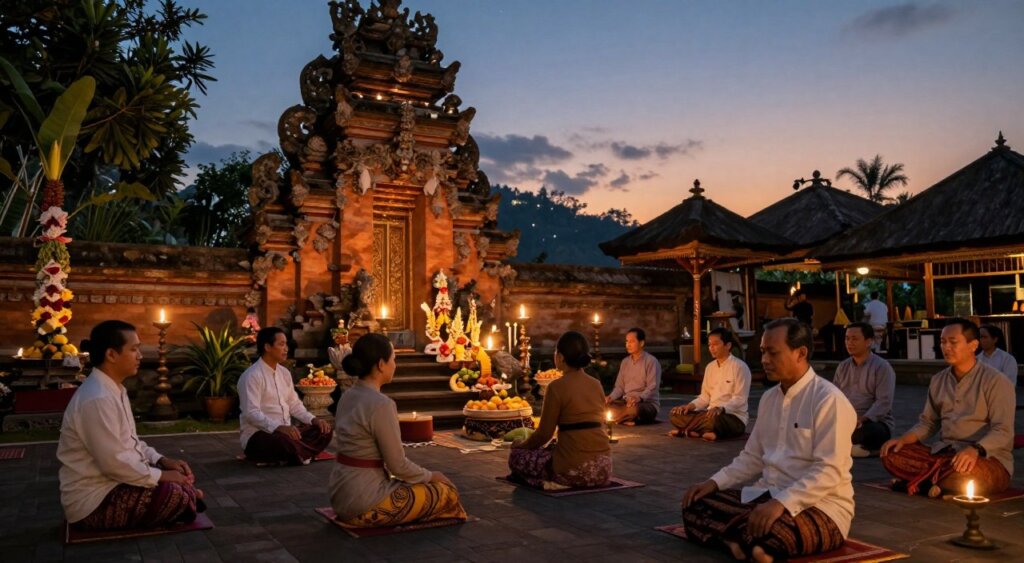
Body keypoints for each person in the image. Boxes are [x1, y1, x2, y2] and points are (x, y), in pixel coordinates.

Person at [681, 318, 856, 562]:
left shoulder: (828, 400)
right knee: (694, 504)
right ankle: (746, 541)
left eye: (772, 353)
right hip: (766, 495)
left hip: (820, 506)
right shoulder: (769, 399)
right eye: (763, 352)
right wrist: (714, 482)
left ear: (801, 353)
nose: (764, 360)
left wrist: (782, 503)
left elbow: (829, 471)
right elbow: (752, 457)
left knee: (774, 531)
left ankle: (740, 539)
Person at [58, 320, 203, 530]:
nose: (140, 356)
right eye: (134, 349)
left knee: (175, 486)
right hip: (93, 501)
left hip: (114, 483)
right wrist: (162, 476)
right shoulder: (97, 398)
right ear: (111, 354)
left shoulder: (113, 389)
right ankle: (188, 499)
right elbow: (114, 463)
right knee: (174, 493)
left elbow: (129, 443)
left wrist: (161, 461)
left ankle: (188, 498)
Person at [328, 333, 466, 526]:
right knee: (445, 493)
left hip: (340, 494)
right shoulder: (381, 404)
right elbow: (398, 466)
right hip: (365, 502)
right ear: (381, 364)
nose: (395, 365)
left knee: (417, 486)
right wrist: (432, 475)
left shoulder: (348, 395)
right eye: (393, 359)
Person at [881, 318, 1014, 497]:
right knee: (891, 454)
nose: (946, 347)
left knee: (971, 476)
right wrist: (904, 439)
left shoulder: (996, 381)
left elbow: (1003, 431)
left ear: (973, 345)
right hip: (945, 455)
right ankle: (935, 483)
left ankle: (923, 482)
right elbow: (928, 423)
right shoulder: (938, 380)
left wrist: (975, 450)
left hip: (985, 459)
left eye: (953, 342)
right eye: (943, 342)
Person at [508, 331, 612, 489]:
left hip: (573, 470)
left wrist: (522, 445)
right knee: (550, 451)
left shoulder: (556, 387)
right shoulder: (596, 384)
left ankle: (549, 482)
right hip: (603, 469)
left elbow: (544, 434)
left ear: (561, 357)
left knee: (517, 457)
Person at [238, 327, 333, 465]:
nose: (286, 349)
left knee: (324, 431)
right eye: (281, 344)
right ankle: (303, 454)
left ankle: (298, 454)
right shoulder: (252, 376)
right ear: (267, 347)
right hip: (259, 436)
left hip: (287, 434)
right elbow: (251, 413)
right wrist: (279, 427)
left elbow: (294, 405)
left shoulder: (285, 373)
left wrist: (314, 420)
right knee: (283, 442)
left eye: (286, 344)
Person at [669, 327, 750, 441]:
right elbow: (704, 397)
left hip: (732, 417)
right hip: (708, 414)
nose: (711, 348)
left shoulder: (740, 367)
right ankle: (704, 432)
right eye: (709, 345)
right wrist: (689, 406)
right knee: (675, 415)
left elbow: (740, 399)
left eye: (715, 344)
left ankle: (687, 430)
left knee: (713, 421)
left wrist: (720, 409)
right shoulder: (710, 367)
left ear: (728, 345)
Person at [832, 322, 895, 457]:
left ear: (869, 342)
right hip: (846, 421)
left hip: (872, 422)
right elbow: (834, 398)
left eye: (854, 339)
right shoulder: (842, 367)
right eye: (847, 338)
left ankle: (845, 448)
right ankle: (856, 450)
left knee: (869, 432)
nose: (849, 343)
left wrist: (862, 419)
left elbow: (884, 402)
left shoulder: (882, 367)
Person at [605, 327, 661, 425]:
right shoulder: (625, 362)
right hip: (626, 403)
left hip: (645, 404)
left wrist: (639, 398)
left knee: (634, 410)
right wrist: (611, 397)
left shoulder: (651, 361)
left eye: (632, 341)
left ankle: (620, 419)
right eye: (626, 341)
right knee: (603, 406)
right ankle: (626, 419)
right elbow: (620, 387)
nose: (628, 345)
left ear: (641, 343)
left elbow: (652, 387)